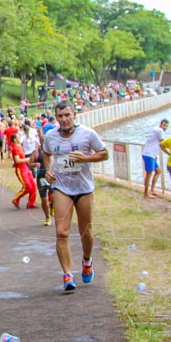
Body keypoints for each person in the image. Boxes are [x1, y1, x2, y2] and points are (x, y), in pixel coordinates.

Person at [42, 101, 109, 294]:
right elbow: (46, 153)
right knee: (62, 232)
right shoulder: (50, 136)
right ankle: (68, 275)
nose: (64, 120)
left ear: (74, 115)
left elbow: (104, 154)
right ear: (56, 118)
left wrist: (85, 158)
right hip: (62, 188)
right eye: (60, 116)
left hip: (84, 188)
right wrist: (48, 170)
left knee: (85, 232)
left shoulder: (88, 133)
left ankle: (87, 261)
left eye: (67, 115)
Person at [9, 131, 37, 209]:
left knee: (33, 186)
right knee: (27, 186)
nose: (20, 138)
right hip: (20, 168)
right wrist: (27, 159)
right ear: (14, 139)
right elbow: (17, 160)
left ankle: (31, 203)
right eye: (18, 137)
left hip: (25, 167)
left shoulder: (20, 146)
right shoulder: (15, 148)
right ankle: (16, 199)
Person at [142, 119, 169, 199]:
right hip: (149, 154)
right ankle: (146, 193)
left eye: (166, 126)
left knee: (158, 171)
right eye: (164, 125)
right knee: (149, 174)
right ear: (160, 124)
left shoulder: (155, 129)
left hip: (151, 154)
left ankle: (152, 190)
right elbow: (163, 143)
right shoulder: (159, 130)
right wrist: (169, 152)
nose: (165, 127)